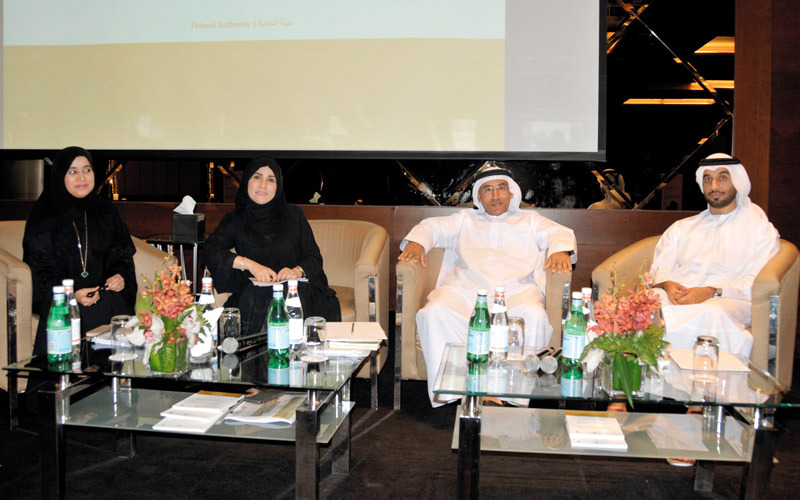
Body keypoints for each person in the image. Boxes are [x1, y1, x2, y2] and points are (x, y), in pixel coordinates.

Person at [398, 162, 576, 406]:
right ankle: (457, 391)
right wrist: (418, 242)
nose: (495, 195)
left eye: (501, 188)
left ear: (511, 193)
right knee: (434, 312)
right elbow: (431, 226)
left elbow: (559, 234)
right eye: (488, 189)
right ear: (479, 196)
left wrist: (560, 251)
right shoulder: (464, 219)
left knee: (533, 315)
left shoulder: (529, 220)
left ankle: (510, 396)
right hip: (466, 291)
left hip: (516, 293)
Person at [650, 153, 780, 356]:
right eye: (708, 179)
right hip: (680, 297)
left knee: (713, 312)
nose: (714, 186)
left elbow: (756, 282)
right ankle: (654, 372)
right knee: (649, 302)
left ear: (737, 181)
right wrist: (667, 285)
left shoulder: (759, 229)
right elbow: (660, 267)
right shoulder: (682, 228)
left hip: (730, 300)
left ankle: (707, 373)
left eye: (722, 177)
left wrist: (713, 291)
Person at [203, 157, 340, 337]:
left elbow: (313, 257)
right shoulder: (235, 219)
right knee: (259, 298)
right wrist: (250, 265)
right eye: (257, 177)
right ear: (247, 181)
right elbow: (211, 250)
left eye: (270, 180)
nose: (263, 185)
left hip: (296, 291)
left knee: (286, 299)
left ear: (278, 186)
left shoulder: (294, 215)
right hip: (254, 291)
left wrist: (297, 271)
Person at [23, 146, 137, 357]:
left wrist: (120, 276)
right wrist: (72, 296)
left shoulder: (106, 211)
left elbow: (121, 255)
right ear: (60, 176)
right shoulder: (43, 215)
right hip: (64, 307)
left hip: (107, 301)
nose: (82, 178)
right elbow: (39, 270)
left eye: (87, 170)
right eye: (73, 171)